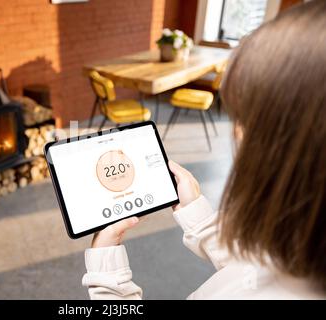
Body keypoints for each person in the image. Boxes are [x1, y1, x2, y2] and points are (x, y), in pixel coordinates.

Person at [81, 0, 326, 299]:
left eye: (247, 119)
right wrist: (195, 212)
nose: (236, 132)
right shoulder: (303, 246)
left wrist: (105, 262)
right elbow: (252, 268)